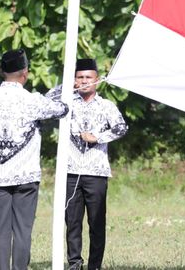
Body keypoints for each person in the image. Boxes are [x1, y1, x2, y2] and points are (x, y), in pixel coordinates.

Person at [0, 49, 68, 270]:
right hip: (26, 176)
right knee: (22, 230)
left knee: (1, 229)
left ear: (2, 71)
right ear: (25, 73)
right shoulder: (31, 100)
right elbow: (62, 109)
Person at [56, 58, 127, 270]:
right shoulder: (66, 102)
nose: (84, 81)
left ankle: (94, 265)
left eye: (88, 77)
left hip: (96, 172)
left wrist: (97, 137)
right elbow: (47, 99)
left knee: (96, 222)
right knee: (72, 221)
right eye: (80, 77)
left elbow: (121, 127)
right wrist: (66, 86)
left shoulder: (106, 106)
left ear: (97, 80)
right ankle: (74, 263)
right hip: (70, 171)